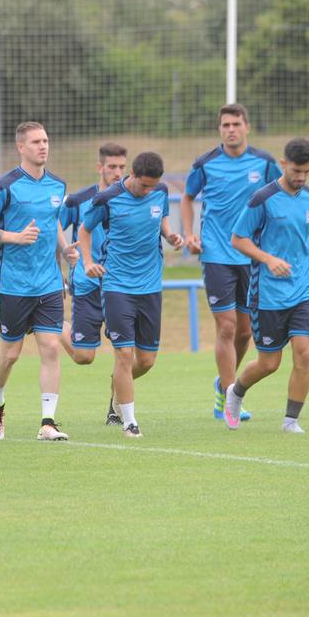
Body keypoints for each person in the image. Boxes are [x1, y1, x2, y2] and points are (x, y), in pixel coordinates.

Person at [180, 104, 281, 423]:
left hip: (251, 256)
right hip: (216, 255)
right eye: (225, 125)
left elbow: (279, 196)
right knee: (226, 326)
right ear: (219, 129)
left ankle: (224, 382)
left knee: (245, 330)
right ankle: (228, 395)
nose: (230, 130)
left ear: (247, 127)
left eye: (236, 124)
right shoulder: (206, 163)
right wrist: (189, 235)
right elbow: (187, 197)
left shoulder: (264, 163)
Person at [0, 121, 72, 442]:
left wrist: (65, 248)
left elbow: (53, 221)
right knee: (11, 355)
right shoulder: (4, 186)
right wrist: (14, 237)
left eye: (45, 140)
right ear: (21, 147)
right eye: (35, 142)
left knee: (50, 348)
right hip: (13, 283)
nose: (43, 146)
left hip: (48, 283)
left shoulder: (58, 185)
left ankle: (48, 422)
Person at [224, 138, 309, 433]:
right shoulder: (262, 198)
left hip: (302, 291)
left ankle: (290, 421)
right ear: (283, 164)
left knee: (305, 353)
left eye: (307, 171)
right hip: (267, 293)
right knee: (269, 363)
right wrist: (268, 259)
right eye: (296, 170)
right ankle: (235, 392)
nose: (301, 177)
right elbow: (238, 239)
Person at [79, 152, 184, 439]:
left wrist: (171, 235)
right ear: (132, 176)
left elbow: (161, 221)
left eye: (152, 186)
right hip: (117, 286)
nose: (147, 191)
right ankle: (129, 421)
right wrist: (88, 262)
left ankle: (117, 390)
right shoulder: (108, 199)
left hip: (150, 287)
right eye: (143, 186)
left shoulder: (160, 192)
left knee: (146, 361)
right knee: (124, 353)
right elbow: (84, 230)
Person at [60, 143, 128, 423]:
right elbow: (51, 224)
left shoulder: (130, 197)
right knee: (84, 356)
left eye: (122, 167)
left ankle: (116, 406)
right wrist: (65, 250)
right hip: (87, 285)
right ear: (100, 168)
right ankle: (51, 324)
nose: (117, 172)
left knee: (125, 352)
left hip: (121, 286)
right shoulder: (79, 200)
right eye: (112, 167)